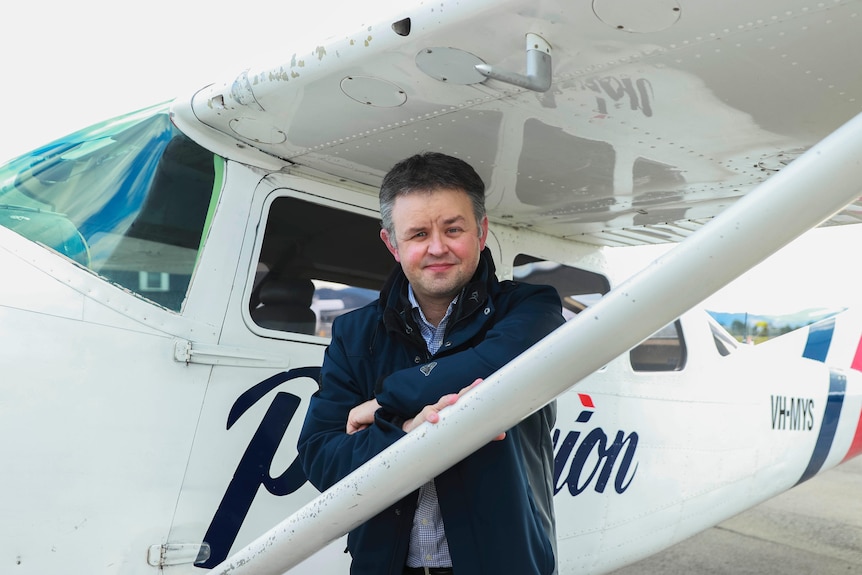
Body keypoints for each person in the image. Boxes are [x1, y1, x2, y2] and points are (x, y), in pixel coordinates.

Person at [297, 152, 565, 575]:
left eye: (453, 229)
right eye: (418, 233)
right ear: (392, 244)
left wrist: (384, 402)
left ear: (481, 232)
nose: (437, 247)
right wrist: (404, 431)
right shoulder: (354, 334)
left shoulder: (533, 309)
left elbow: (494, 360)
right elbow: (321, 458)